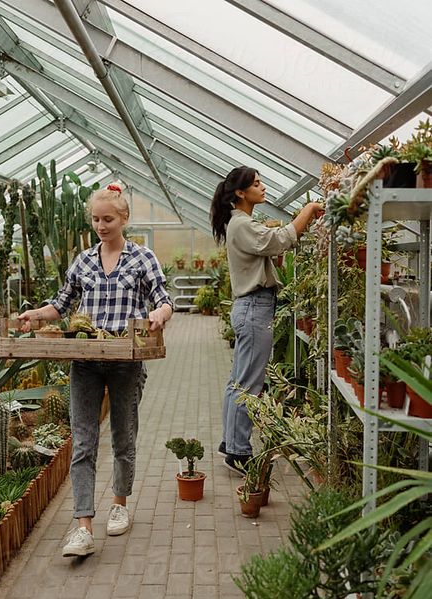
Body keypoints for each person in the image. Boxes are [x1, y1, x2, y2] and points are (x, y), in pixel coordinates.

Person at [18, 183, 173, 557]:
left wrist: (158, 315)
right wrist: (35, 315)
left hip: (126, 361)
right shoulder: (83, 261)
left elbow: (164, 300)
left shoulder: (142, 258)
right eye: (96, 219)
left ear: (124, 219)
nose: (101, 225)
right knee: (84, 443)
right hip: (85, 362)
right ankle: (83, 526)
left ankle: (119, 503)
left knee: (123, 437)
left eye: (108, 219)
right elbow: (61, 304)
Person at [210, 166, 322, 475]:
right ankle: (238, 452)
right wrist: (310, 209)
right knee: (248, 382)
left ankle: (231, 442)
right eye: (256, 184)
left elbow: (273, 241)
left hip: (253, 307)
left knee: (240, 380)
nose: (263, 187)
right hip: (254, 307)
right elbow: (281, 239)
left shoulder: (242, 223)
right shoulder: (241, 224)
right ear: (240, 193)